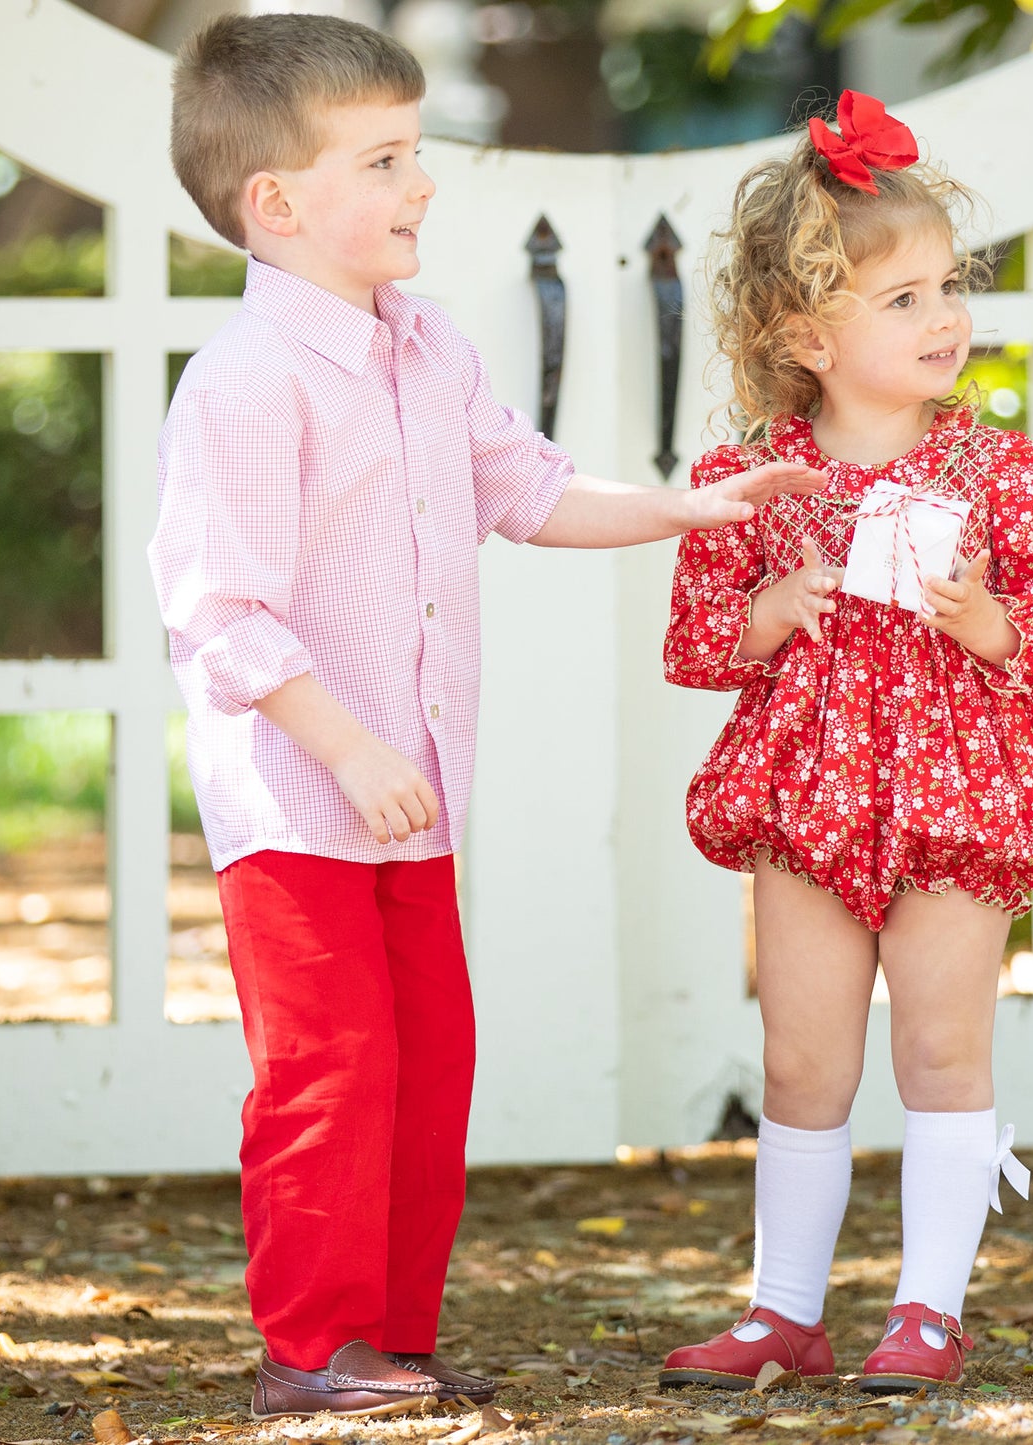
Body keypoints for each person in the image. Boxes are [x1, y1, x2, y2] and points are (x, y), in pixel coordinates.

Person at [148, 13, 825, 1424]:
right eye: (386, 160)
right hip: (302, 805)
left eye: (416, 153)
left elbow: (527, 489)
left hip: (414, 800)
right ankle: (310, 1349)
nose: (421, 185)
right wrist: (344, 742)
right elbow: (221, 614)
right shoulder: (244, 383)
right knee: (329, 1076)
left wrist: (684, 508)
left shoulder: (426, 346)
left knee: (427, 1068)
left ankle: (390, 1337)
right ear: (275, 203)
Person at [659, 91, 1033, 1394]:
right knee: (801, 1058)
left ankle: (924, 1308)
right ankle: (782, 1309)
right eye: (902, 298)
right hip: (807, 801)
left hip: (956, 802)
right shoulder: (758, 480)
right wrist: (766, 612)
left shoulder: (1004, 474)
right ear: (805, 333)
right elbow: (692, 648)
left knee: (938, 1048)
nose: (945, 316)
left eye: (947, 286)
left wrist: (981, 618)